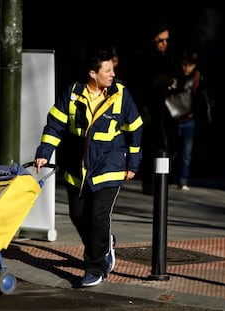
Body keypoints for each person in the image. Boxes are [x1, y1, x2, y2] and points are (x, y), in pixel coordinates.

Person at [34, 46, 143, 287]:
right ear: (92, 73)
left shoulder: (121, 94)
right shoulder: (73, 94)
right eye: (107, 71)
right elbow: (55, 125)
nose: (112, 75)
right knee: (78, 215)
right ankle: (104, 243)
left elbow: (135, 129)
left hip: (110, 166)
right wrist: (44, 152)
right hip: (77, 169)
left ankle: (96, 267)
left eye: (113, 70)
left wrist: (133, 164)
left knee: (97, 216)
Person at [165, 46, 212, 190]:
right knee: (172, 151)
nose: (186, 68)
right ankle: (167, 177)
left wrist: (198, 113)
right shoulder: (176, 77)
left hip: (189, 118)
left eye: (190, 65)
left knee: (186, 151)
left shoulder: (197, 79)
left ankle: (183, 179)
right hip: (174, 117)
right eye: (185, 64)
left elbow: (202, 99)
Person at [138, 22, 177, 194]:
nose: (164, 43)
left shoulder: (167, 57)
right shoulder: (146, 57)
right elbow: (147, 80)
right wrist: (168, 81)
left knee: (166, 145)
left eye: (166, 40)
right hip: (149, 111)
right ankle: (150, 183)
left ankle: (161, 180)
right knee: (152, 146)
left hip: (164, 110)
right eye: (161, 40)